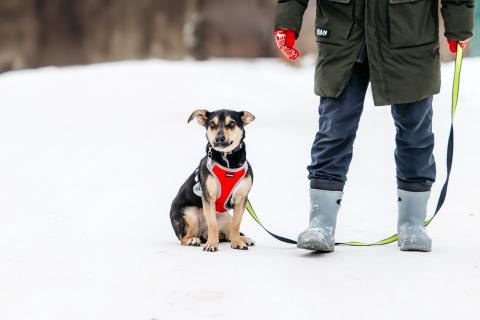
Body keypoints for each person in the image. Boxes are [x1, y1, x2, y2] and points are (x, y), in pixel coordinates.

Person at [273, 0, 474, 252]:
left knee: (415, 133)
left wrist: (459, 25)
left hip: (409, 40)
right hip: (343, 39)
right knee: (333, 130)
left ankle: (412, 223)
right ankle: (320, 222)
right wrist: (287, 21)